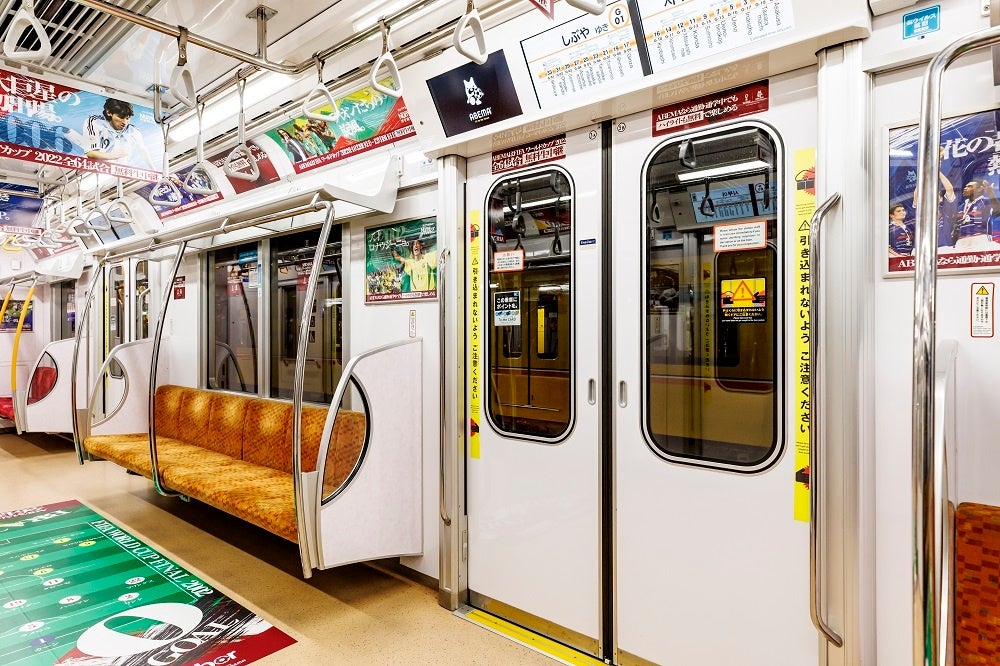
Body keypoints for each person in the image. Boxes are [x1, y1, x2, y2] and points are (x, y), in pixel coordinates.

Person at [82, 98, 155, 169]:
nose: (125, 122)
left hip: (119, 172)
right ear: (109, 112)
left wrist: (153, 170)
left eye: (127, 118)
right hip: (93, 170)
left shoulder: (133, 131)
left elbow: (142, 150)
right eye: (121, 117)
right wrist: (114, 156)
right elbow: (90, 153)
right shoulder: (95, 122)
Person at [954, 179, 1000, 252]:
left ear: (979, 189)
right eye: (965, 186)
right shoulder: (960, 207)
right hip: (961, 242)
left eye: (969, 186)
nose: (965, 188)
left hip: (979, 240)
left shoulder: (985, 202)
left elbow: (998, 211)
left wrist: (991, 194)